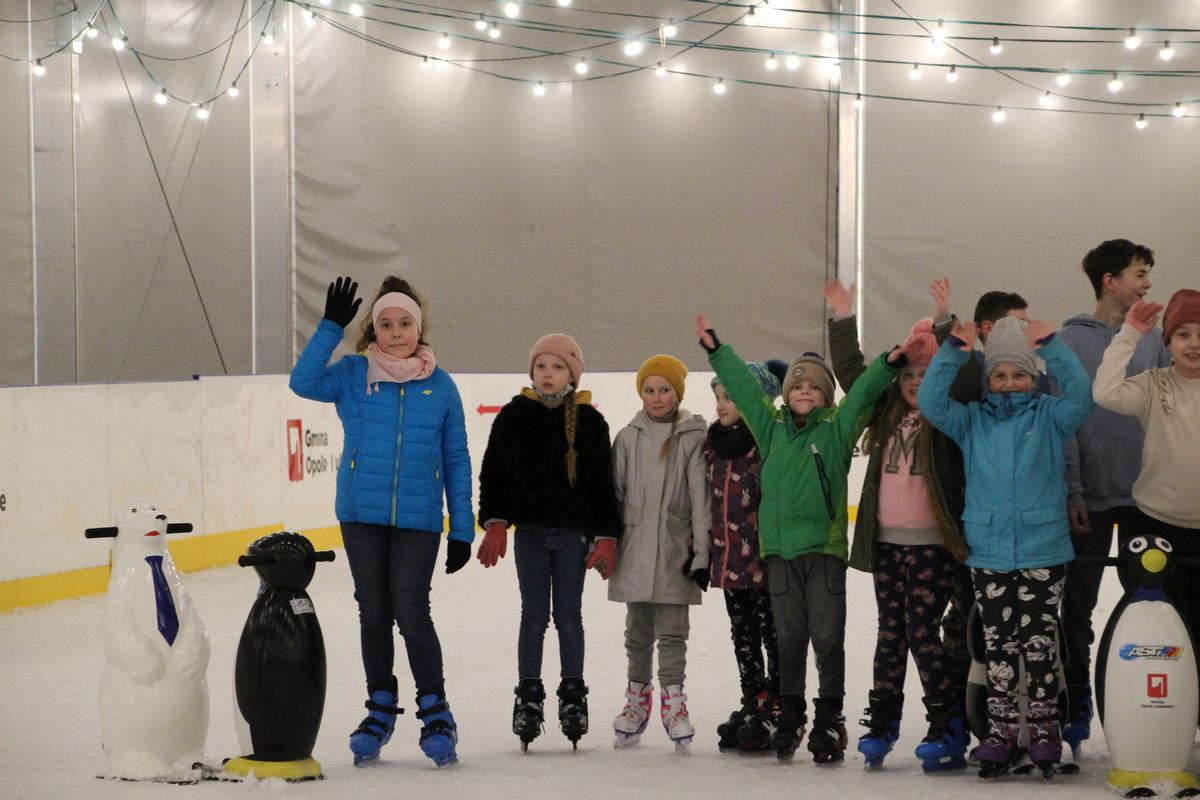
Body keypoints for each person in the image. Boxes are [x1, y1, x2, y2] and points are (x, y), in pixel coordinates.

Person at [699, 313, 907, 764]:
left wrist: (889, 363)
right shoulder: (770, 429)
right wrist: (717, 351)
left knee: (828, 639)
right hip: (779, 555)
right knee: (790, 639)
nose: (805, 391)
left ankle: (830, 716)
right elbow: (746, 390)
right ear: (787, 392)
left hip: (823, 553)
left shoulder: (837, 429)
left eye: (814, 386)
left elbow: (864, 393)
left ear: (826, 395)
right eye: (798, 385)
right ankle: (791, 714)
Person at [288, 276, 473, 768]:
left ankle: (436, 711)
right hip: (361, 514)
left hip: (418, 518)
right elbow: (303, 383)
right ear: (373, 330)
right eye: (386, 324)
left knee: (411, 611)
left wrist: (462, 528)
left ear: (419, 328)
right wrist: (330, 327)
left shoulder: (440, 385)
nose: (395, 332)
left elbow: (456, 458)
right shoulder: (353, 373)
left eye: (404, 323)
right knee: (373, 611)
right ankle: (380, 708)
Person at [918, 315, 1094, 776]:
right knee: (998, 646)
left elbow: (1083, 396)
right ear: (988, 379)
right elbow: (931, 402)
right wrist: (954, 350)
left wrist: (1052, 347)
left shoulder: (1051, 416)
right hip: (990, 551)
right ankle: (1000, 732)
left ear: (1034, 377)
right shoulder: (971, 421)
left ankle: (1045, 730)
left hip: (1043, 550)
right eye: (1000, 374)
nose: (1010, 383)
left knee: (1039, 646)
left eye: (1019, 374)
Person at [823, 279, 971, 771]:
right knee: (891, 633)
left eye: (926, 373)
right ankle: (882, 724)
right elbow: (854, 375)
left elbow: (960, 373)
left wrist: (945, 320)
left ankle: (948, 726)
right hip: (887, 544)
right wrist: (843, 318)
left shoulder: (947, 415)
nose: (915, 382)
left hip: (934, 546)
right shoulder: (885, 410)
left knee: (921, 632)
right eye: (908, 373)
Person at [475, 333, 622, 750]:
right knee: (534, 617)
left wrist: (605, 537)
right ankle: (529, 696)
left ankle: (573, 696)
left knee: (569, 617)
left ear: (572, 375)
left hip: (573, 538)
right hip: (532, 537)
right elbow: (494, 474)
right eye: (541, 366)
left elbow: (601, 485)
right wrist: (496, 523)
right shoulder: (513, 416)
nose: (548, 373)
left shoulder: (590, 422)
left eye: (557, 367)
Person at [1056, 239, 1169, 753]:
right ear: (1110, 280)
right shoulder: (1068, 343)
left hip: (1148, 499)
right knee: (1078, 605)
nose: (1147, 283)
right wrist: (1074, 491)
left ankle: (1150, 702)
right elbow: (1064, 425)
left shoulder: (1156, 339)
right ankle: (1077, 701)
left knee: (1152, 604)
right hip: (1090, 500)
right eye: (1139, 273)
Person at [608, 354, 711, 753]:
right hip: (634, 552)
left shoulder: (692, 438)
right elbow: (614, 497)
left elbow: (701, 501)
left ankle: (674, 701)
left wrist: (701, 556)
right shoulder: (627, 438)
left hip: (674, 552)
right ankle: (636, 699)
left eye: (664, 389)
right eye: (649, 390)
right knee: (636, 632)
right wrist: (605, 545)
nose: (656, 397)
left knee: (672, 633)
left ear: (677, 393)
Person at [1092, 291, 1200, 648]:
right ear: (1168, 342)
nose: (1194, 343)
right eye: (1183, 334)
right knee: (1159, 633)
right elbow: (1105, 392)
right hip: (1156, 527)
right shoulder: (1154, 384)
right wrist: (1129, 335)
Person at [706, 359, 787, 753]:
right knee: (742, 635)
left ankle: (777, 703)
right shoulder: (712, 445)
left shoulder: (765, 444)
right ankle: (753, 698)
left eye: (731, 397)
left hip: (763, 561)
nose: (721, 404)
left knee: (772, 634)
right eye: (719, 396)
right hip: (729, 562)